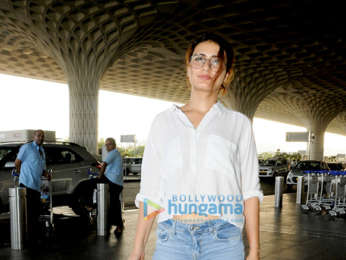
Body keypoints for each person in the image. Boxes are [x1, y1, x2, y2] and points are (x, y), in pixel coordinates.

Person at [129, 33, 263, 260]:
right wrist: (137, 247)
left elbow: (250, 191)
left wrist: (254, 250)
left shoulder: (238, 124)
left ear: (226, 74)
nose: (206, 66)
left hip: (223, 240)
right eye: (199, 58)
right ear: (188, 69)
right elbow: (150, 192)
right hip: (172, 239)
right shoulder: (164, 122)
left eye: (215, 60)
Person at [15, 129, 49, 245]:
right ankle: (29, 238)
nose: (41, 137)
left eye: (42, 136)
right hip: (26, 184)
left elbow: (41, 168)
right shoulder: (27, 147)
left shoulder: (42, 150)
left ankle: (35, 236)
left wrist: (46, 174)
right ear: (34, 136)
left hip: (36, 186)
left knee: (36, 212)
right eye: (38, 135)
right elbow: (17, 162)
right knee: (29, 213)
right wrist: (21, 175)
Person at [99, 137, 124, 238]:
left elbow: (104, 164)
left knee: (114, 205)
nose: (107, 146)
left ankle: (119, 225)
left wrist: (99, 176)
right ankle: (113, 224)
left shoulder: (113, 153)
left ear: (114, 145)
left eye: (109, 144)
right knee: (112, 204)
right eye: (106, 144)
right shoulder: (114, 154)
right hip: (114, 182)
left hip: (113, 182)